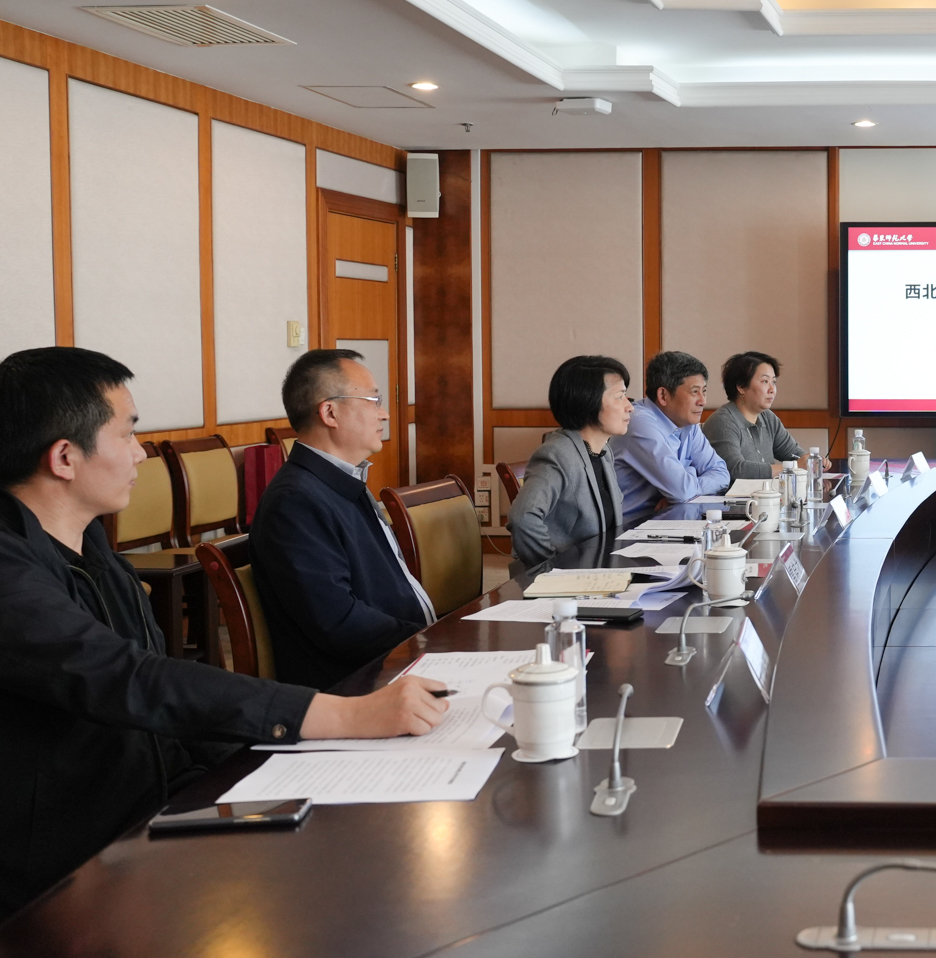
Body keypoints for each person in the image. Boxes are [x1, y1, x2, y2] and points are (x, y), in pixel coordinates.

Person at [0, 347, 445, 916]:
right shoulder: (10, 571)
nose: (140, 453)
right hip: (65, 868)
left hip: (156, 811)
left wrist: (274, 765)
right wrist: (342, 716)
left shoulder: (93, 546)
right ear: (65, 457)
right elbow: (130, 680)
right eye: (128, 434)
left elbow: (169, 716)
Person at [252, 349, 437, 690]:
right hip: (359, 684)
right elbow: (338, 622)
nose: (384, 414)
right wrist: (428, 641)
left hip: (398, 660)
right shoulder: (295, 501)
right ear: (330, 412)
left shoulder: (340, 481)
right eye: (373, 400)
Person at [509, 356, 632, 566]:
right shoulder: (557, 454)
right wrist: (551, 568)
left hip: (599, 570)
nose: (629, 407)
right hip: (568, 580)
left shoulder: (603, 451)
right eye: (620, 397)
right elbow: (523, 518)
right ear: (588, 402)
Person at [613, 351, 730, 525]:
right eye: (695, 392)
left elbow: (721, 473)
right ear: (663, 396)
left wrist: (686, 485)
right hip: (630, 528)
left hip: (667, 521)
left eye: (704, 391)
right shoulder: (638, 422)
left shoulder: (688, 423)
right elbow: (681, 491)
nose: (703, 401)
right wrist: (688, 478)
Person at [703, 351, 805, 483]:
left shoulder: (768, 417)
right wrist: (792, 468)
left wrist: (811, 461)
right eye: (765, 381)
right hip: (733, 496)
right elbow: (735, 470)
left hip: (766, 494)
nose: (772, 389)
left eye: (773, 382)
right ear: (741, 386)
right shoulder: (722, 421)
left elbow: (794, 454)